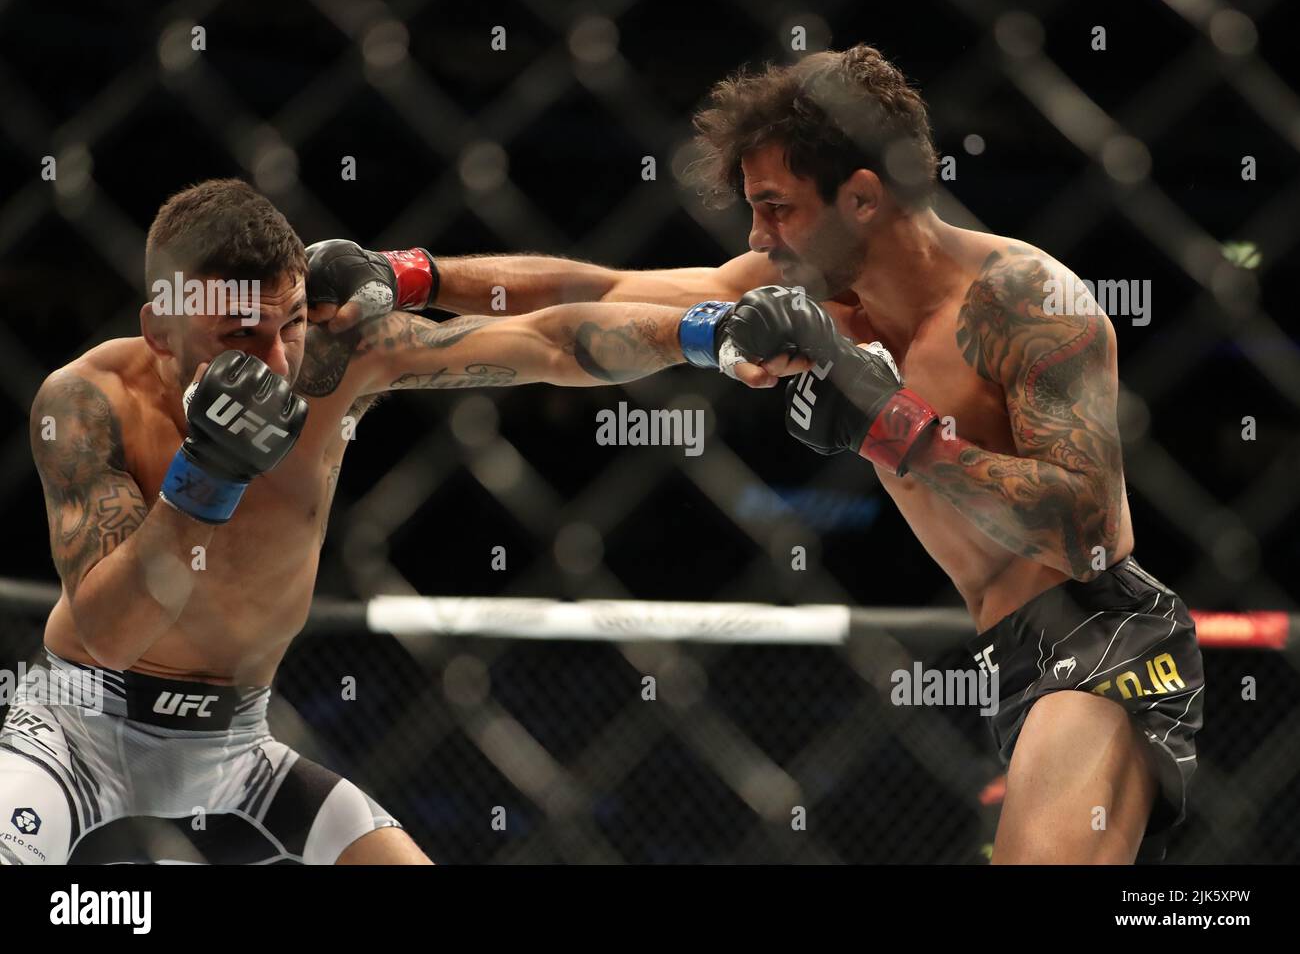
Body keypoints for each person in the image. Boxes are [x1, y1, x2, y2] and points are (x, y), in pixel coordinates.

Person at [373, 45, 1204, 863]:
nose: (757, 232)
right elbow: (595, 291)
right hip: (1003, 653)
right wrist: (412, 277)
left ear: (865, 196)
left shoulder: (1029, 301)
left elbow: (1086, 529)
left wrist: (899, 428)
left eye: (777, 207)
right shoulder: (811, 296)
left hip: (1105, 637)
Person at [1, 177, 789, 865]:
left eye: (290, 325)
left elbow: (545, 341)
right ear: (160, 330)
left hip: (237, 749)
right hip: (76, 733)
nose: (275, 363)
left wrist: (705, 335)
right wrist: (205, 477)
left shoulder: (335, 359)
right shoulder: (85, 400)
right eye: (239, 335)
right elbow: (109, 635)